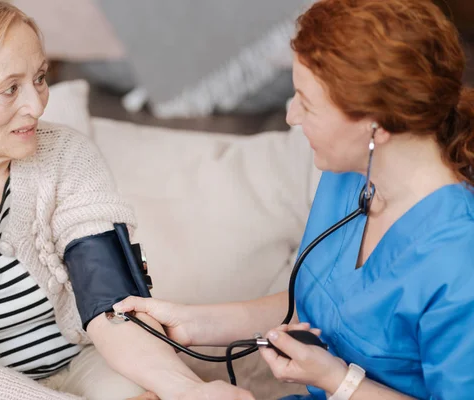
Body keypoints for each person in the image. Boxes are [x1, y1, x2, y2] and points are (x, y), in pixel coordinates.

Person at [0, 1, 255, 399]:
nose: (37, 105)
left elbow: (111, 303)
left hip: (78, 361)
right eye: (10, 89)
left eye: (39, 78)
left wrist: (184, 390)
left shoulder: (67, 155)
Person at [114, 0, 474, 398]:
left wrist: (337, 381)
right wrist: (190, 322)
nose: (290, 116)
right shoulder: (348, 174)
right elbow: (322, 306)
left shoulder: (459, 260)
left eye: (307, 102)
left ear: (378, 124)